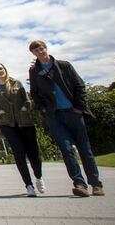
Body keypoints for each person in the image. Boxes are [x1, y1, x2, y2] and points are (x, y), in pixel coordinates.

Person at [28, 40, 103, 197]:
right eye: (36, 50)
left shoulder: (64, 65)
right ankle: (79, 184)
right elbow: (34, 93)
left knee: (85, 149)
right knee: (67, 151)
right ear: (33, 53)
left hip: (73, 113)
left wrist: (78, 107)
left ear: (46, 48)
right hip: (55, 116)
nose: (40, 52)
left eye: (41, 48)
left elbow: (79, 86)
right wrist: (44, 108)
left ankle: (96, 184)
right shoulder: (35, 71)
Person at [0, 62, 43, 197]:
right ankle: (29, 185)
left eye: (1, 68)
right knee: (19, 153)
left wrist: (25, 107)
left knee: (34, 153)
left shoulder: (16, 83)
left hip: (24, 122)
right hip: (7, 124)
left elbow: (27, 100)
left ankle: (38, 177)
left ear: (5, 69)